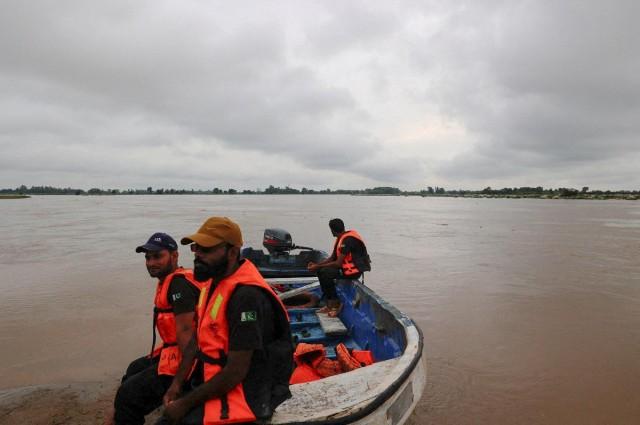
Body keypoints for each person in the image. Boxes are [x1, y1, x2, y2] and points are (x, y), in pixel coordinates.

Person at [158, 217, 293, 425]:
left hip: (245, 392)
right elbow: (197, 339)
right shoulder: (212, 281)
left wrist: (184, 404)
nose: (198, 255)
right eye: (196, 248)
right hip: (214, 376)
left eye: (207, 250)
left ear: (232, 252)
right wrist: (176, 384)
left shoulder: (246, 297)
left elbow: (236, 371)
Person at [107, 233, 204, 425]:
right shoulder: (170, 280)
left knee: (128, 396)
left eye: (157, 256)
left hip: (189, 358)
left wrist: (182, 381)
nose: (151, 262)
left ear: (174, 256)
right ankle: (115, 417)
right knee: (134, 368)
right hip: (172, 348)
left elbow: (186, 332)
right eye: (148, 257)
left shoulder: (178, 286)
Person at [307, 218, 371, 317]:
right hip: (345, 269)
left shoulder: (347, 240)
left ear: (332, 230)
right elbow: (332, 258)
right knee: (321, 271)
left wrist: (318, 267)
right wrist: (317, 265)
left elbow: (337, 263)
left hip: (353, 272)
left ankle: (335, 304)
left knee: (325, 273)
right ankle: (329, 302)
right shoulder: (340, 238)